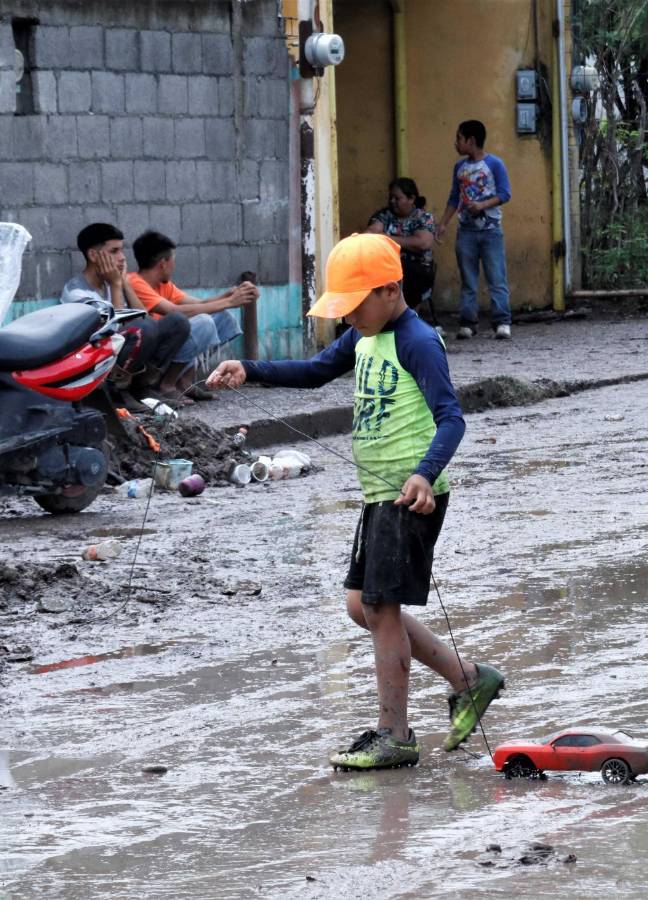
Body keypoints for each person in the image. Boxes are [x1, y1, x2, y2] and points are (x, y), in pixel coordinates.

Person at [207, 233, 504, 771]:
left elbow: (452, 418)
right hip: (378, 495)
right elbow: (316, 371)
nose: (347, 318)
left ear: (390, 290)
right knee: (360, 606)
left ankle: (394, 733)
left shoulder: (416, 340)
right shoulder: (363, 336)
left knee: (379, 607)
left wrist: (423, 474)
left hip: (410, 496)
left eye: (354, 305)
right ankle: (467, 677)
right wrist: (249, 368)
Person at [61, 223, 190, 404]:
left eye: (122, 251)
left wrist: (124, 283)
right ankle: (117, 393)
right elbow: (112, 333)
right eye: (114, 251)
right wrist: (115, 285)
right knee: (140, 329)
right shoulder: (78, 293)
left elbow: (145, 318)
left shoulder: (110, 282)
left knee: (177, 322)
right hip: (96, 364)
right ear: (93, 255)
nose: (122, 258)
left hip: (120, 353)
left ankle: (141, 388)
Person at [128, 230, 258, 402]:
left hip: (170, 346)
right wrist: (230, 301)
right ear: (163, 263)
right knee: (203, 322)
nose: (174, 265)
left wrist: (231, 294)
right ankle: (166, 385)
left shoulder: (164, 285)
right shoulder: (135, 282)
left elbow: (201, 304)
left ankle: (185, 382)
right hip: (153, 356)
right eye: (173, 259)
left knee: (222, 318)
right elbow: (174, 311)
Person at [435, 119, 512, 341]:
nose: (455, 143)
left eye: (459, 138)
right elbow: (454, 197)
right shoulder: (459, 168)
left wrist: (482, 206)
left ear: (471, 140)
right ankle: (468, 323)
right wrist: (443, 223)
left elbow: (505, 194)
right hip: (466, 231)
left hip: (491, 230)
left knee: (496, 277)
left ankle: (502, 322)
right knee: (468, 279)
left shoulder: (495, 164)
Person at [365, 177, 437, 321]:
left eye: (397, 198)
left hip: (417, 268)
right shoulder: (384, 216)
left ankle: (405, 319)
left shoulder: (423, 218)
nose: (392, 201)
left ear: (411, 199)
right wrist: (405, 242)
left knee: (407, 275)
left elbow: (423, 243)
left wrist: (386, 238)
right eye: (391, 197)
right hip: (387, 266)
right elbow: (370, 235)